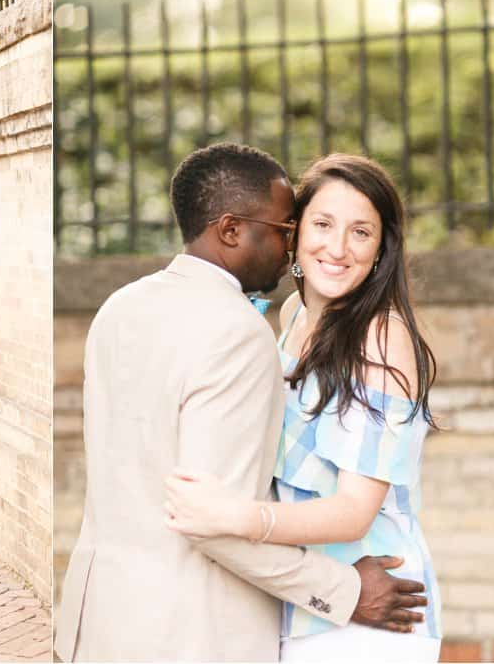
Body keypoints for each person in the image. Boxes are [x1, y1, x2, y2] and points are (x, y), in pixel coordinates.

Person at [54, 143, 427, 663]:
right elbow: (208, 521)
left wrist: (337, 586)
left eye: (361, 231)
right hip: (200, 628)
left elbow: (237, 512)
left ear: (382, 246)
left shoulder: (121, 306)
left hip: (111, 619)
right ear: (232, 230)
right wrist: (342, 590)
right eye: (297, 229)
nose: (326, 245)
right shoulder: (262, 326)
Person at [165, 153, 442, 662]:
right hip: (310, 599)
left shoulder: (381, 337)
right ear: (294, 234)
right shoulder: (292, 315)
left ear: (382, 249)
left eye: (361, 232)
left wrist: (235, 517)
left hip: (373, 602)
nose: (337, 248)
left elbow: (354, 512)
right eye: (322, 224)